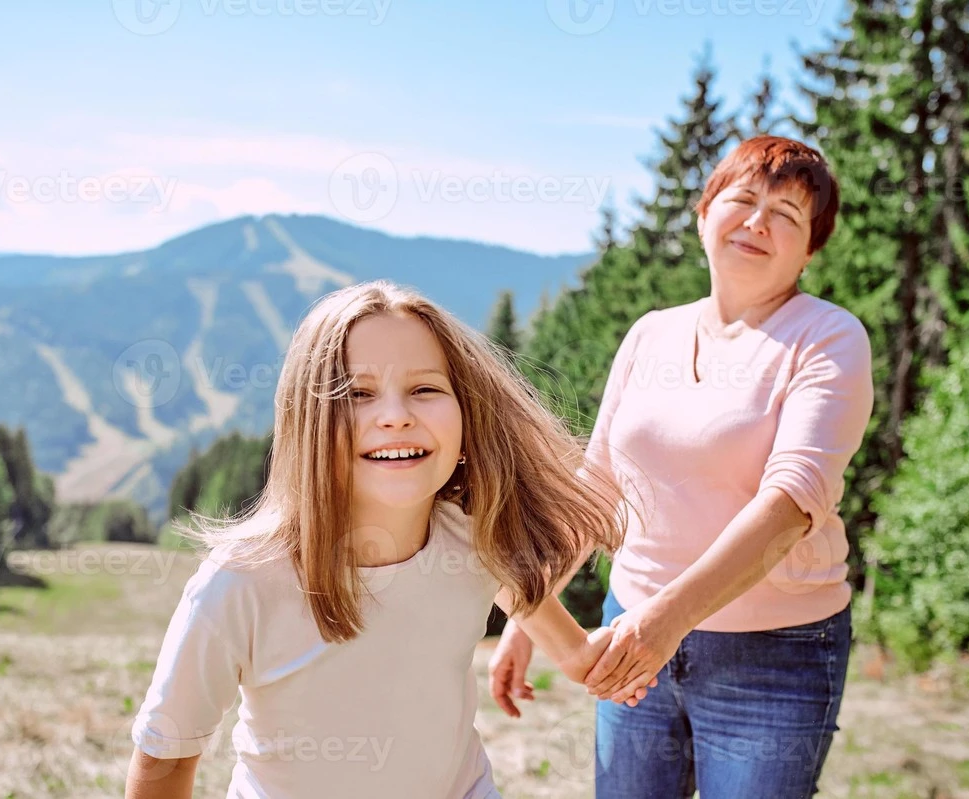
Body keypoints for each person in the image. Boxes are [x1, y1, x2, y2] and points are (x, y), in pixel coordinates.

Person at [124, 280, 640, 799]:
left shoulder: (475, 540)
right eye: (357, 394)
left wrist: (613, 654)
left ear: (468, 417)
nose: (395, 415)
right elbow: (165, 762)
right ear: (309, 425)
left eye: (425, 389)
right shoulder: (240, 581)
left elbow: (563, 642)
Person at [488, 135, 874, 799]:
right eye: (743, 199)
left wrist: (662, 625)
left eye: (786, 215)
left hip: (774, 655)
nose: (758, 221)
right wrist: (530, 616)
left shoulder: (828, 337)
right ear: (703, 214)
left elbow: (790, 505)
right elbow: (600, 485)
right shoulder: (651, 333)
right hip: (631, 632)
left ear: (811, 249)